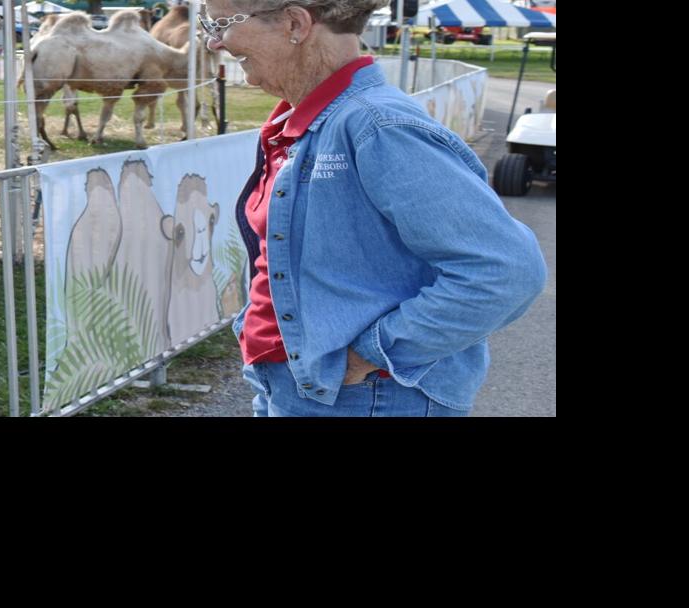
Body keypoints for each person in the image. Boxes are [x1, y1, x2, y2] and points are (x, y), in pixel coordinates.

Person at [202, 0, 546, 417]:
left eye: (223, 24)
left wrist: (373, 353)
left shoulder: (378, 125)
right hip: (303, 386)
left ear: (295, 24)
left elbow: (506, 269)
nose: (215, 41)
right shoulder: (316, 122)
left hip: (364, 397)